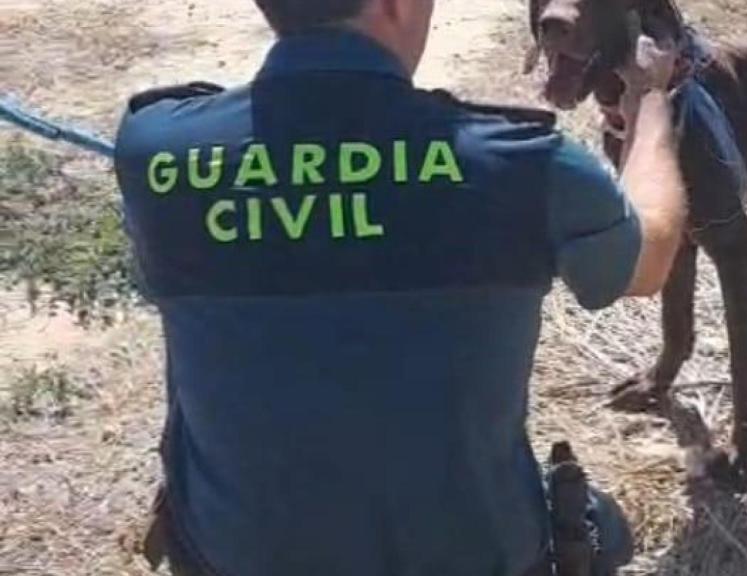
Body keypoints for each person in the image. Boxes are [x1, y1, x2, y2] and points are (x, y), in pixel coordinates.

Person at [113, 0, 688, 574]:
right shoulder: (524, 162)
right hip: (476, 558)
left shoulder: (156, 152)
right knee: (605, 535)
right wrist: (650, 99)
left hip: (236, 557)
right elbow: (650, 257)